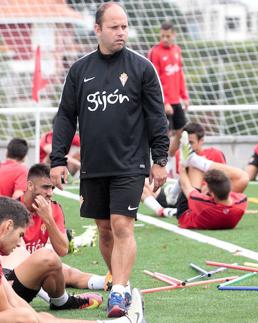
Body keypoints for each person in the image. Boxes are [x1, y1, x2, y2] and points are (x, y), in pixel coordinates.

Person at [50, 2, 169, 318]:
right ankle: (123, 286)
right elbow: (65, 116)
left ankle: (118, 290)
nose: (121, 32)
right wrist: (57, 158)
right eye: (115, 27)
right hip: (93, 166)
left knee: (121, 225)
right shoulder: (80, 70)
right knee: (104, 229)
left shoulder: (142, 68)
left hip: (130, 164)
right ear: (98, 29)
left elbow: (157, 116)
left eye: (125, 26)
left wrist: (160, 158)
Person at [0, 197, 145, 323]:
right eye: (20, 235)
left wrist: (38, 318)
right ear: (7, 226)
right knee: (25, 318)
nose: (19, 242)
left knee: (38, 317)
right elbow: (7, 311)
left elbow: (12, 298)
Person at [3, 164, 107, 291]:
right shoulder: (11, 210)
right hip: (11, 268)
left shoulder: (54, 208)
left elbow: (62, 250)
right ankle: (61, 301)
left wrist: (48, 219)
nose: (50, 193)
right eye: (45, 187)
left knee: (70, 273)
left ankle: (112, 283)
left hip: (38, 265)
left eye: (52, 188)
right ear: (30, 185)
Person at [174, 131, 249, 229]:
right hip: (217, 207)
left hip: (187, 212)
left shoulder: (202, 202)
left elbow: (186, 186)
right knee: (243, 178)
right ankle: (193, 159)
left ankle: (193, 160)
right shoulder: (241, 203)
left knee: (195, 168)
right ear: (229, 190)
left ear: (211, 195)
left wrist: (182, 167)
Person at [148, 21, 190, 160]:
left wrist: (184, 96)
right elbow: (154, 80)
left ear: (174, 35)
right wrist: (164, 102)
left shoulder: (177, 50)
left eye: (168, 36)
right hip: (163, 102)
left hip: (175, 100)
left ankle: (169, 161)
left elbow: (180, 74)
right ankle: (159, 163)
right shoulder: (155, 52)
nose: (165, 39)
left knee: (182, 133)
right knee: (164, 135)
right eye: (162, 36)